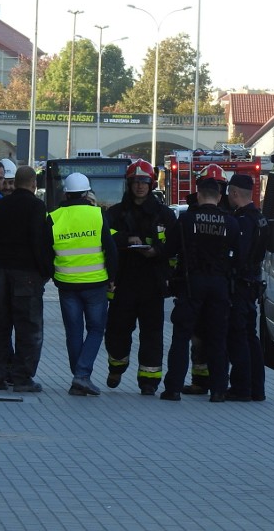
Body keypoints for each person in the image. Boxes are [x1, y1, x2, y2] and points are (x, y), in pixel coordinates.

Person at [161, 177, 240, 402]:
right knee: (217, 338)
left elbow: (169, 250)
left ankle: (173, 389)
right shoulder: (231, 223)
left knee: (181, 336)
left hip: (191, 283)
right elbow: (239, 256)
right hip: (220, 285)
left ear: (198, 195)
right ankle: (218, 390)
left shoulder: (186, 220)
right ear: (219, 197)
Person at [105, 159, 176, 396]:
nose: (140, 186)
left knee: (152, 333)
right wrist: (126, 239)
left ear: (151, 183)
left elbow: (174, 244)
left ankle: (149, 380)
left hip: (152, 282)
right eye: (135, 181)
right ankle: (116, 366)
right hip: (123, 280)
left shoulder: (164, 215)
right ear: (129, 183)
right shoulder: (115, 213)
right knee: (117, 329)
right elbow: (106, 237)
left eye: (144, 181)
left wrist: (157, 250)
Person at [0, 166, 53, 392]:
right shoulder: (36, 207)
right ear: (33, 184)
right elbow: (39, 241)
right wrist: (45, 271)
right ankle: (22, 378)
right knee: (28, 328)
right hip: (27, 275)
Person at [47, 173, 117, 397]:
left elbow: (45, 251)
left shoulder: (53, 217)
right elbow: (111, 248)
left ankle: (79, 377)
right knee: (96, 329)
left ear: (66, 193)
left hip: (66, 283)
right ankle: (82, 375)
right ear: (87, 193)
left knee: (73, 332)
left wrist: (53, 275)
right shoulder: (98, 214)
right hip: (95, 283)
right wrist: (113, 277)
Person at [227, 173, 269, 401]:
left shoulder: (243, 220)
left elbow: (239, 255)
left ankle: (241, 387)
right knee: (251, 337)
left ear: (235, 193)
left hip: (241, 284)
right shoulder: (260, 218)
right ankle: (257, 388)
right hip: (252, 283)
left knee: (239, 336)